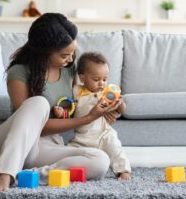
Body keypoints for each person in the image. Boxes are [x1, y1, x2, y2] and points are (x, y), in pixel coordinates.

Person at [0, 13, 121, 191]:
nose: (71, 60)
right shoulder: (19, 72)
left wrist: (103, 112)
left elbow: (74, 107)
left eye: (72, 53)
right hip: (18, 142)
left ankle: (30, 174)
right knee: (39, 103)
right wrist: (88, 118)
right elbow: (33, 124)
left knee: (101, 160)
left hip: (49, 147)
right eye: (65, 55)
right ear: (44, 51)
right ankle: (5, 172)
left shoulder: (69, 70)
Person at [56, 52, 131, 180]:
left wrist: (120, 103)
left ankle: (123, 171)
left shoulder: (107, 91)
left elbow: (121, 110)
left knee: (115, 147)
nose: (101, 83)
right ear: (82, 78)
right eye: (96, 80)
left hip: (103, 133)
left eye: (104, 79)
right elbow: (72, 109)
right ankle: (57, 169)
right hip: (82, 137)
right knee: (66, 153)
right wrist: (62, 112)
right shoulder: (76, 91)